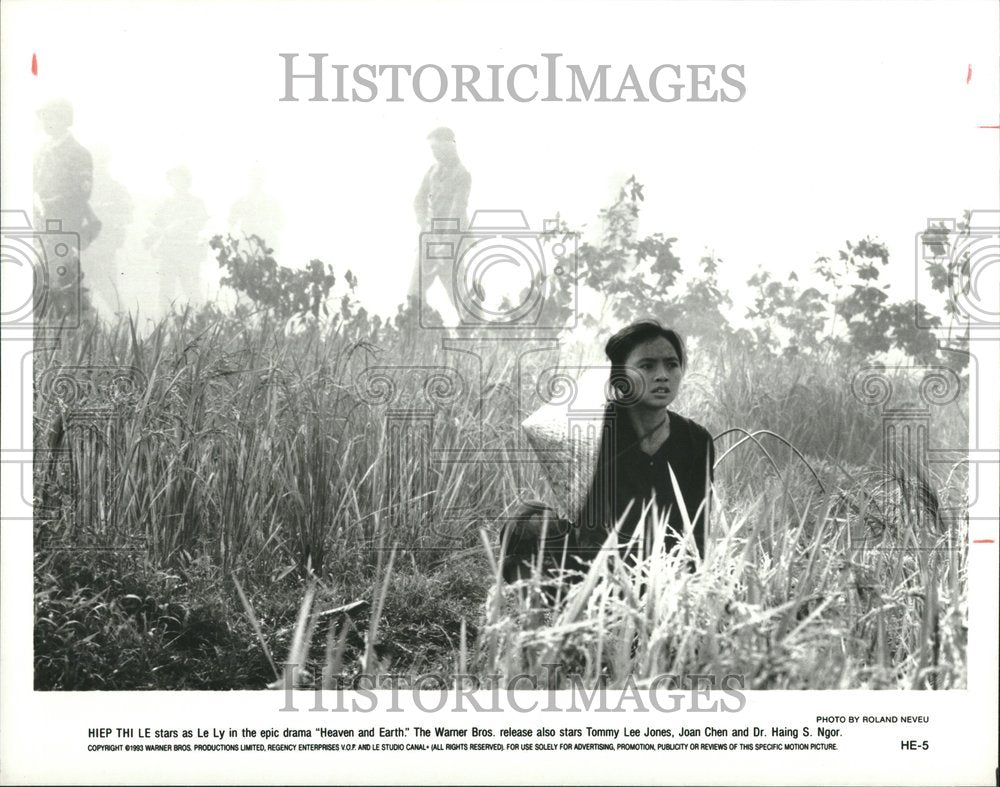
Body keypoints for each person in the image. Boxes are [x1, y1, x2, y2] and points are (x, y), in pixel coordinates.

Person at [503, 320, 715, 586]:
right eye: (647, 366)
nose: (663, 375)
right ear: (619, 376)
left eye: (672, 364)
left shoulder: (696, 440)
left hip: (663, 573)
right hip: (594, 566)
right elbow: (586, 521)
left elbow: (696, 526)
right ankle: (536, 616)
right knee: (528, 518)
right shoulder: (592, 429)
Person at [406, 127, 471, 315]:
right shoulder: (432, 171)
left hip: (451, 243)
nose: (433, 152)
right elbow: (418, 200)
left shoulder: (462, 175)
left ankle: (481, 336)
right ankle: (414, 338)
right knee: (414, 294)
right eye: (432, 149)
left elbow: (456, 211)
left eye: (436, 148)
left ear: (449, 145)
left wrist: (444, 243)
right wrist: (426, 226)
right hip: (430, 241)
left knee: (459, 297)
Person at [144, 165, 209, 309]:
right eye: (174, 178)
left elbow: (201, 223)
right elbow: (154, 223)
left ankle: (202, 323)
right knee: (165, 292)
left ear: (187, 181)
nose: (177, 182)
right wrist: (156, 232)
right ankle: (164, 325)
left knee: (191, 289)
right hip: (168, 252)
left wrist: (182, 226)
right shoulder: (166, 203)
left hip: (188, 251)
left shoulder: (196, 202)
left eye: (181, 178)